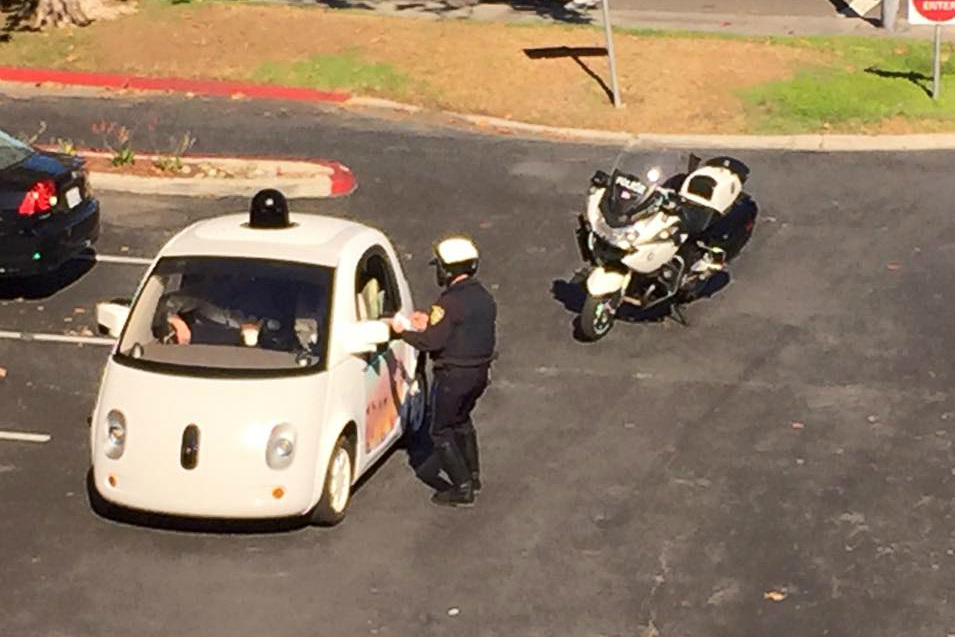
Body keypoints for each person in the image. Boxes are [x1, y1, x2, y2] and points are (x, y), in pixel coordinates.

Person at [389, 236, 496, 507]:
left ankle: (461, 487)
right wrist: (429, 323)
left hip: (453, 376)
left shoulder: (448, 303)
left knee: (440, 429)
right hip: (479, 373)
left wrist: (402, 332)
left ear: (447, 270)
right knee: (462, 420)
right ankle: (473, 475)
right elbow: (460, 330)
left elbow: (432, 342)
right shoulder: (483, 297)